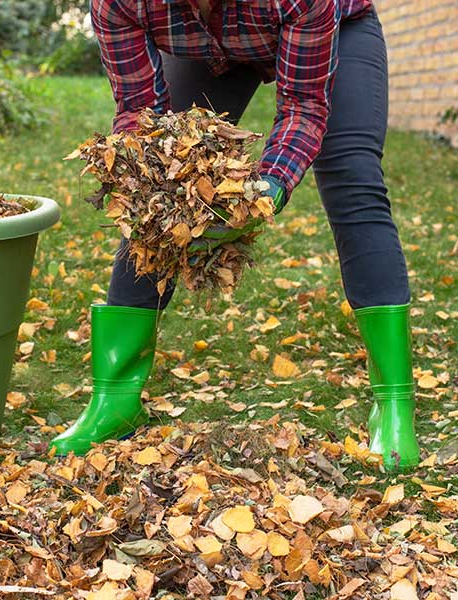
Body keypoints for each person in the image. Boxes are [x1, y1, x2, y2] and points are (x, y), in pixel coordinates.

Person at [50, 0, 420, 471]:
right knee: (161, 183)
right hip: (211, 50)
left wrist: (267, 190)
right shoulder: (121, 3)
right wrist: (154, 177)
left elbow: (304, 107)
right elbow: (142, 116)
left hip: (336, 32)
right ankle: (116, 398)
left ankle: (392, 405)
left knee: (352, 176)